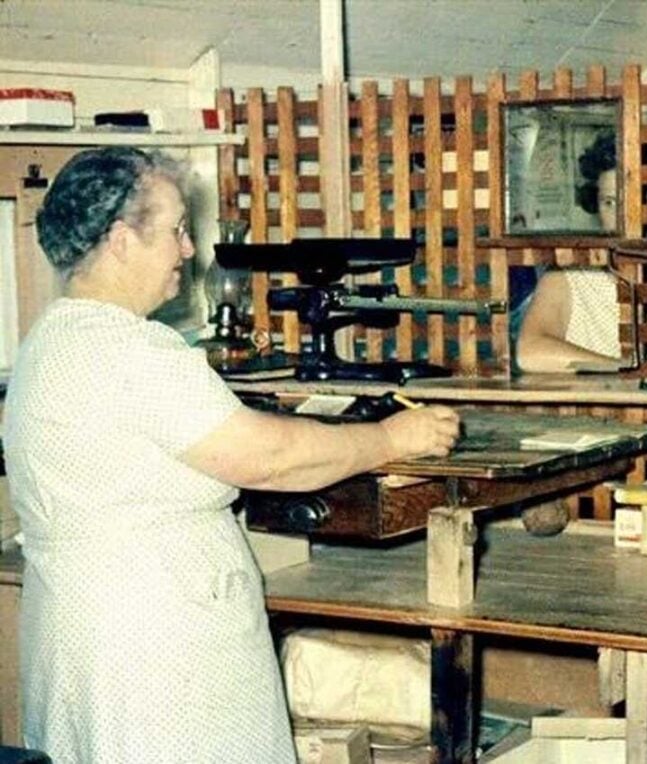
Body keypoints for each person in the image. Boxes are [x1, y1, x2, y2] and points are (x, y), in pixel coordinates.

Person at [1, 147, 459, 763]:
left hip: (84, 630)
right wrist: (393, 439)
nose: (188, 251)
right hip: (155, 641)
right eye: (177, 231)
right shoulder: (130, 349)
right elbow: (267, 457)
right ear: (120, 241)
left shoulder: (50, 340)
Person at [515, 130, 626, 373]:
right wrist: (627, 371)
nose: (620, 217)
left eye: (631, 202)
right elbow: (530, 352)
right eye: (609, 202)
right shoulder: (571, 274)